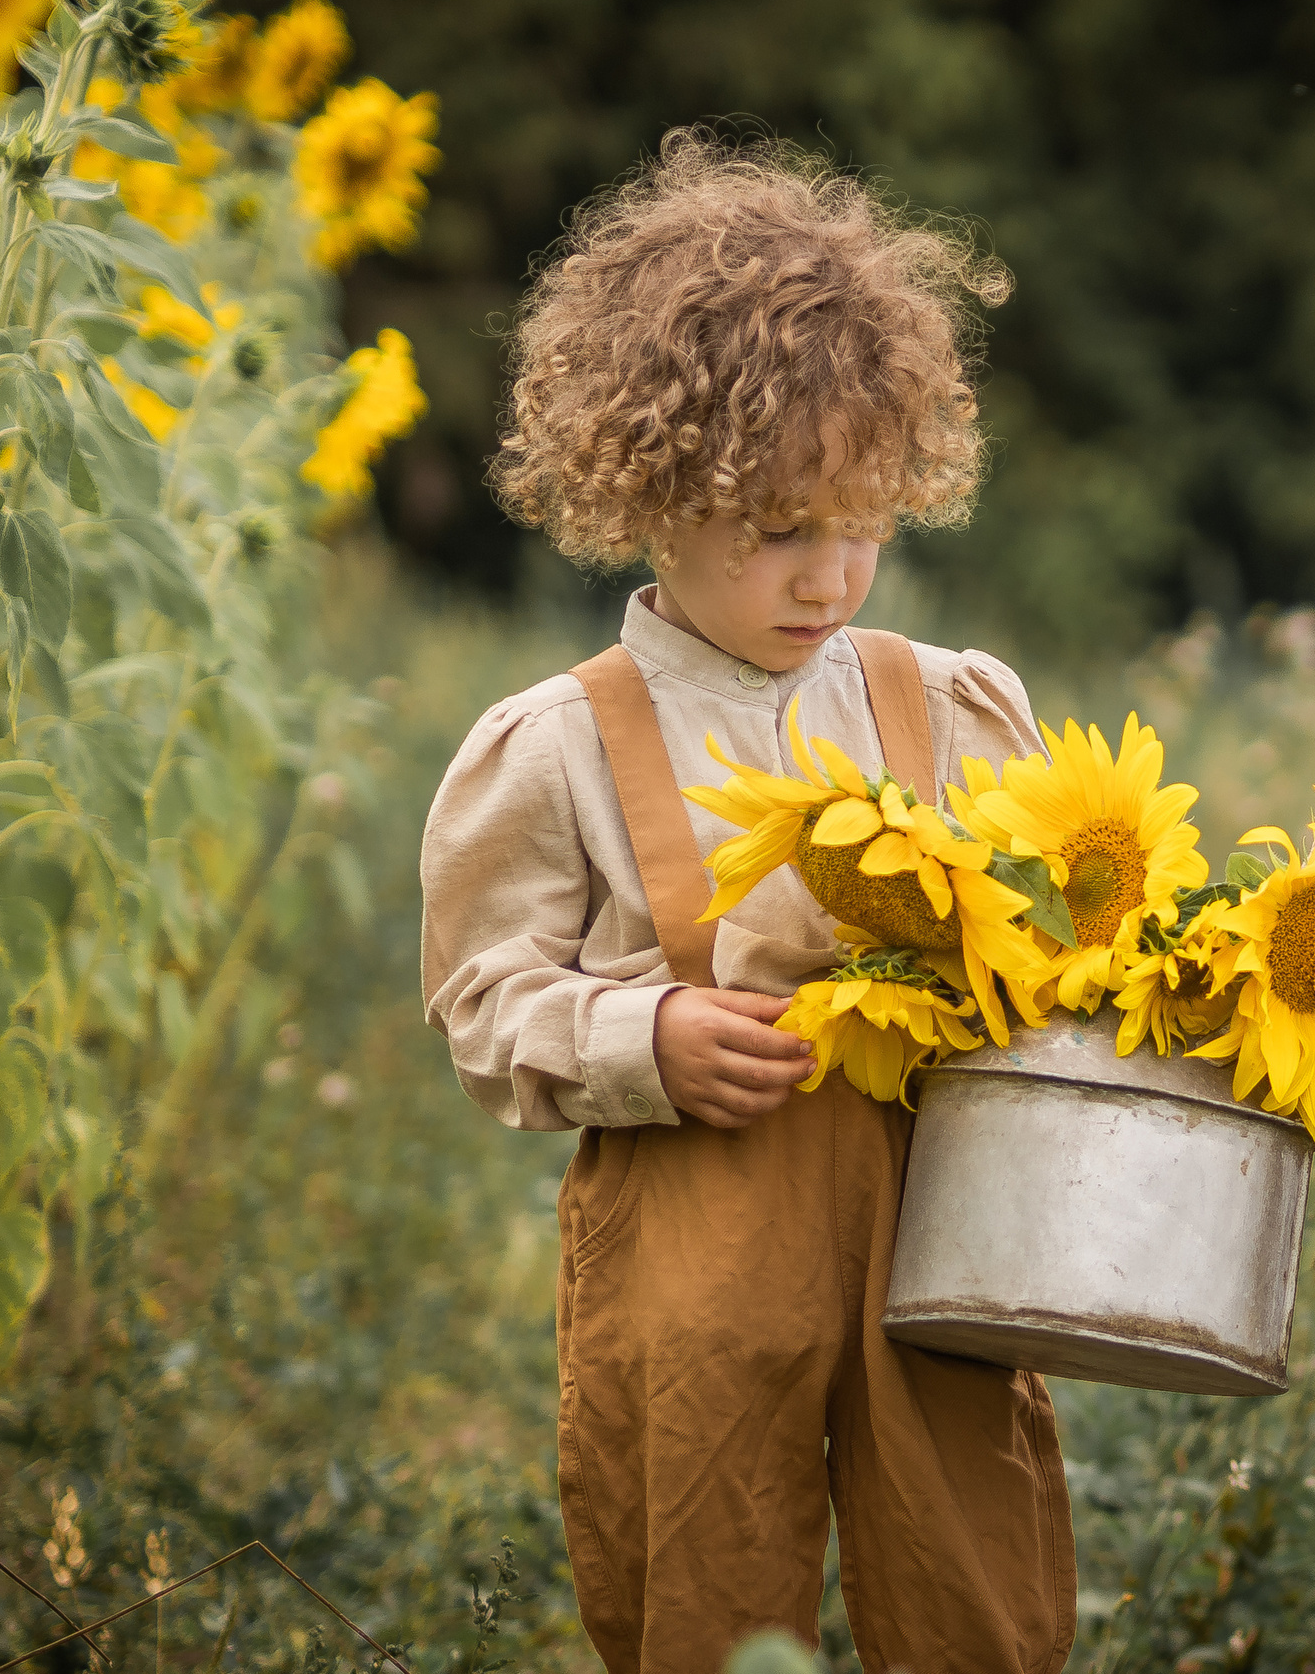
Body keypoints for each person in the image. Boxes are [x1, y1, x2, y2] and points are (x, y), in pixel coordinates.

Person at [419, 131, 1074, 1674]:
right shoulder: (563, 741)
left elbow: (1055, 936)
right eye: (779, 530)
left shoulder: (947, 704)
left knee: (972, 1578)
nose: (829, 578)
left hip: (936, 1218)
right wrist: (642, 1036)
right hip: (693, 1236)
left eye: (862, 523)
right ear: (651, 487)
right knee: (700, 1575)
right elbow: (485, 1001)